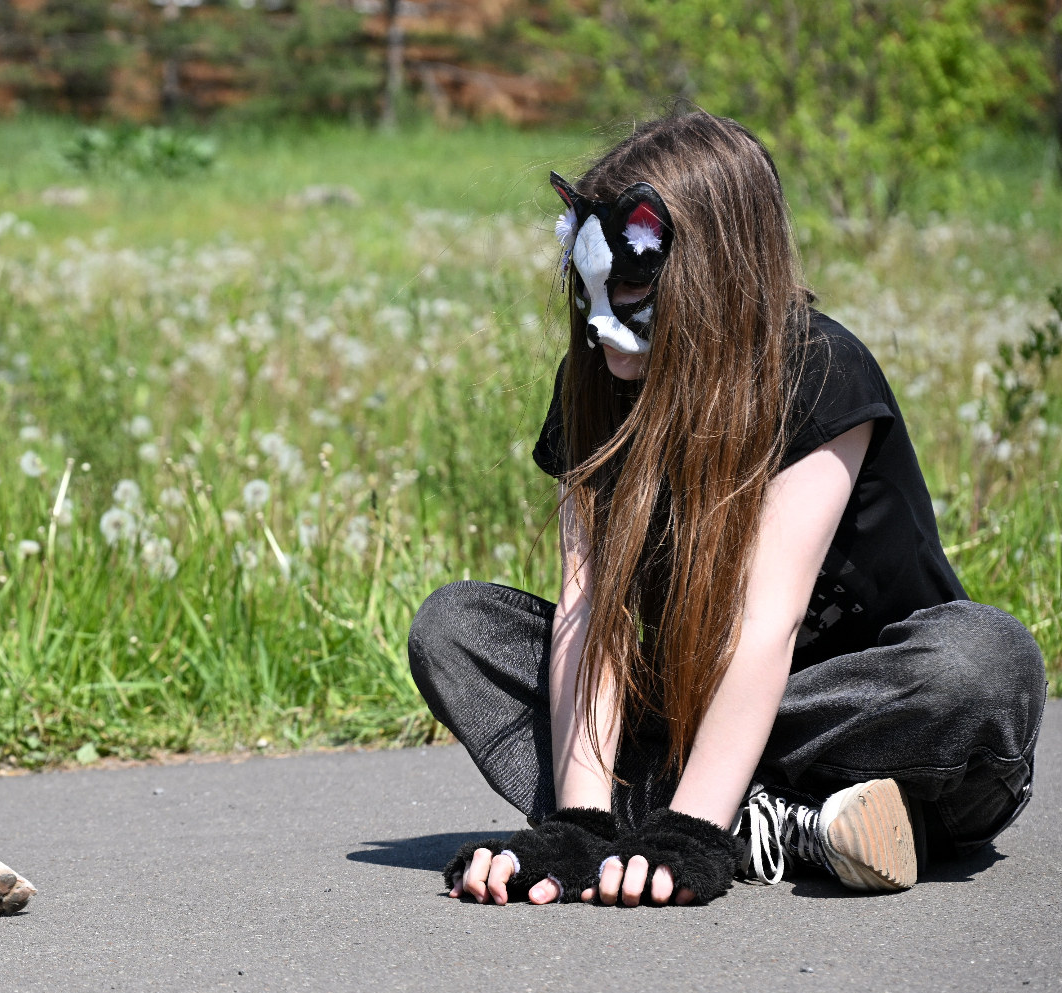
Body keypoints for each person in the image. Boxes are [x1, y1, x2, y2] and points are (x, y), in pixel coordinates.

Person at [406, 111, 1046, 907]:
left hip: (881, 727)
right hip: (693, 712)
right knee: (456, 628)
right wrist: (575, 824)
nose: (601, 317)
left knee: (984, 660)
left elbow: (762, 623)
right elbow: (589, 613)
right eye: (587, 284)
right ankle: (781, 824)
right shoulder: (600, 386)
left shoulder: (817, 371)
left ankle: (709, 816)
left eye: (632, 286)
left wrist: (690, 831)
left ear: (713, 276)